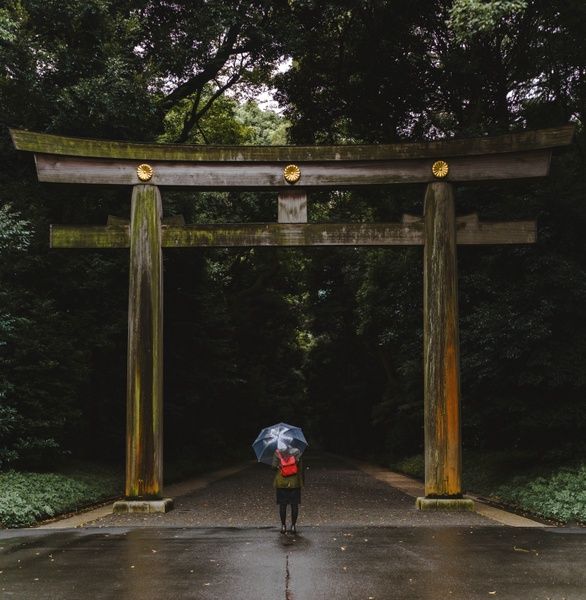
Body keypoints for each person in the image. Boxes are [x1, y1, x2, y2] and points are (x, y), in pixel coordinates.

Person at [273, 444, 304, 534]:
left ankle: (283, 526)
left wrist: (279, 465)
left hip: (281, 483)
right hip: (295, 483)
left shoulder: (277, 452)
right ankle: (293, 526)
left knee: (283, 505)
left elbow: (273, 467)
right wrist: (302, 482)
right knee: (294, 505)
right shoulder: (298, 452)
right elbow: (301, 469)